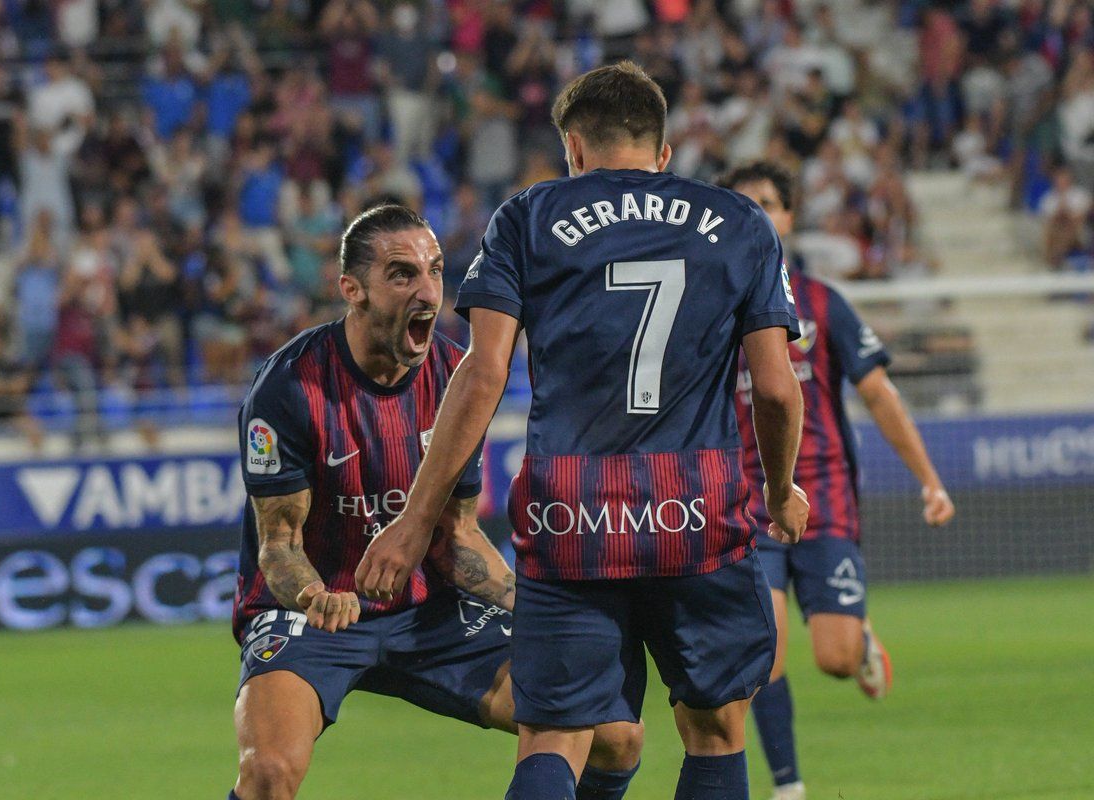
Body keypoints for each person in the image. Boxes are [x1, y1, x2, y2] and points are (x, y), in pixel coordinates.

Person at [357, 63, 809, 800]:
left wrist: (415, 520)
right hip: (697, 510)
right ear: (664, 154)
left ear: (573, 147)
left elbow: (482, 373)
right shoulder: (740, 223)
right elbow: (779, 391)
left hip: (573, 515)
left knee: (556, 734)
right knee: (717, 730)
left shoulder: (527, 218)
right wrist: (783, 489)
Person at [228, 204, 642, 800]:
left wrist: (535, 609)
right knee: (268, 773)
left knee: (614, 734)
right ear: (353, 290)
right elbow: (279, 546)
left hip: (431, 614)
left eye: (436, 271)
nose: (428, 292)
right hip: (314, 616)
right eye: (402, 274)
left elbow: (458, 534)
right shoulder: (290, 385)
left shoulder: (457, 376)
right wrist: (317, 596)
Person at [720, 161, 956, 800]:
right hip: (751, 504)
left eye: (769, 202)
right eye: (744, 204)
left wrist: (929, 479)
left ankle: (859, 638)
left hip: (824, 501)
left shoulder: (822, 303)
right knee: (762, 653)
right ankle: (789, 787)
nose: (758, 213)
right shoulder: (708, 312)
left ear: (790, 216)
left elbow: (878, 394)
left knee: (834, 658)